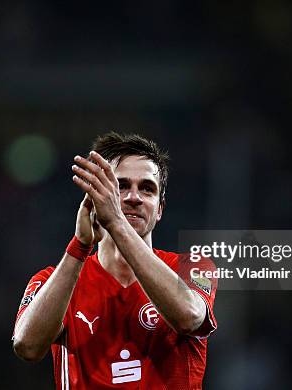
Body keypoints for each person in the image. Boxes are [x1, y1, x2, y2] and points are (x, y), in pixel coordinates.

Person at [12, 132, 217, 389]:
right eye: (120, 186)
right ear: (95, 200)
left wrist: (117, 222)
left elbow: (189, 317)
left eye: (147, 188)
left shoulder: (194, 266)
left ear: (160, 209)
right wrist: (80, 247)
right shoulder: (54, 281)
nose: (133, 197)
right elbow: (27, 346)